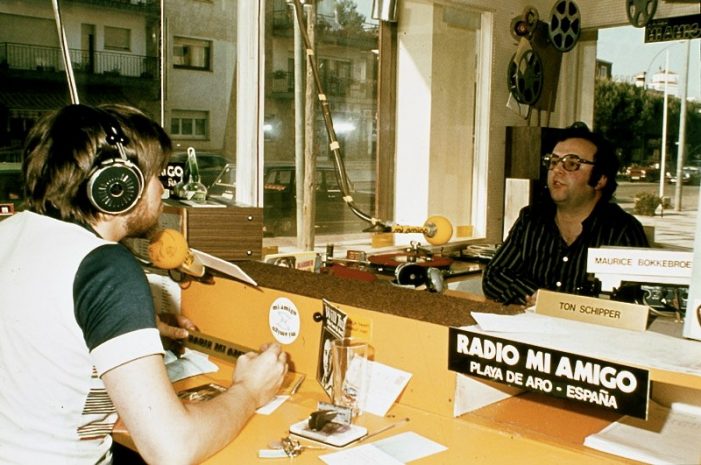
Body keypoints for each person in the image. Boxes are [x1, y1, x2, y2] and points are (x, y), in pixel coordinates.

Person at [0, 104, 288, 465]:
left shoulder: (10, 232)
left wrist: (122, 335)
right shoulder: (105, 265)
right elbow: (172, 450)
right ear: (118, 186)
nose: (164, 189)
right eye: (156, 175)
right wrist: (249, 391)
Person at [482, 122, 650, 306]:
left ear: (600, 179)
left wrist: (563, 305)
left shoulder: (622, 230)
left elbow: (635, 300)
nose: (556, 169)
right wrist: (534, 295)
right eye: (553, 162)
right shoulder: (532, 218)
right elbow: (494, 275)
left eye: (571, 163)